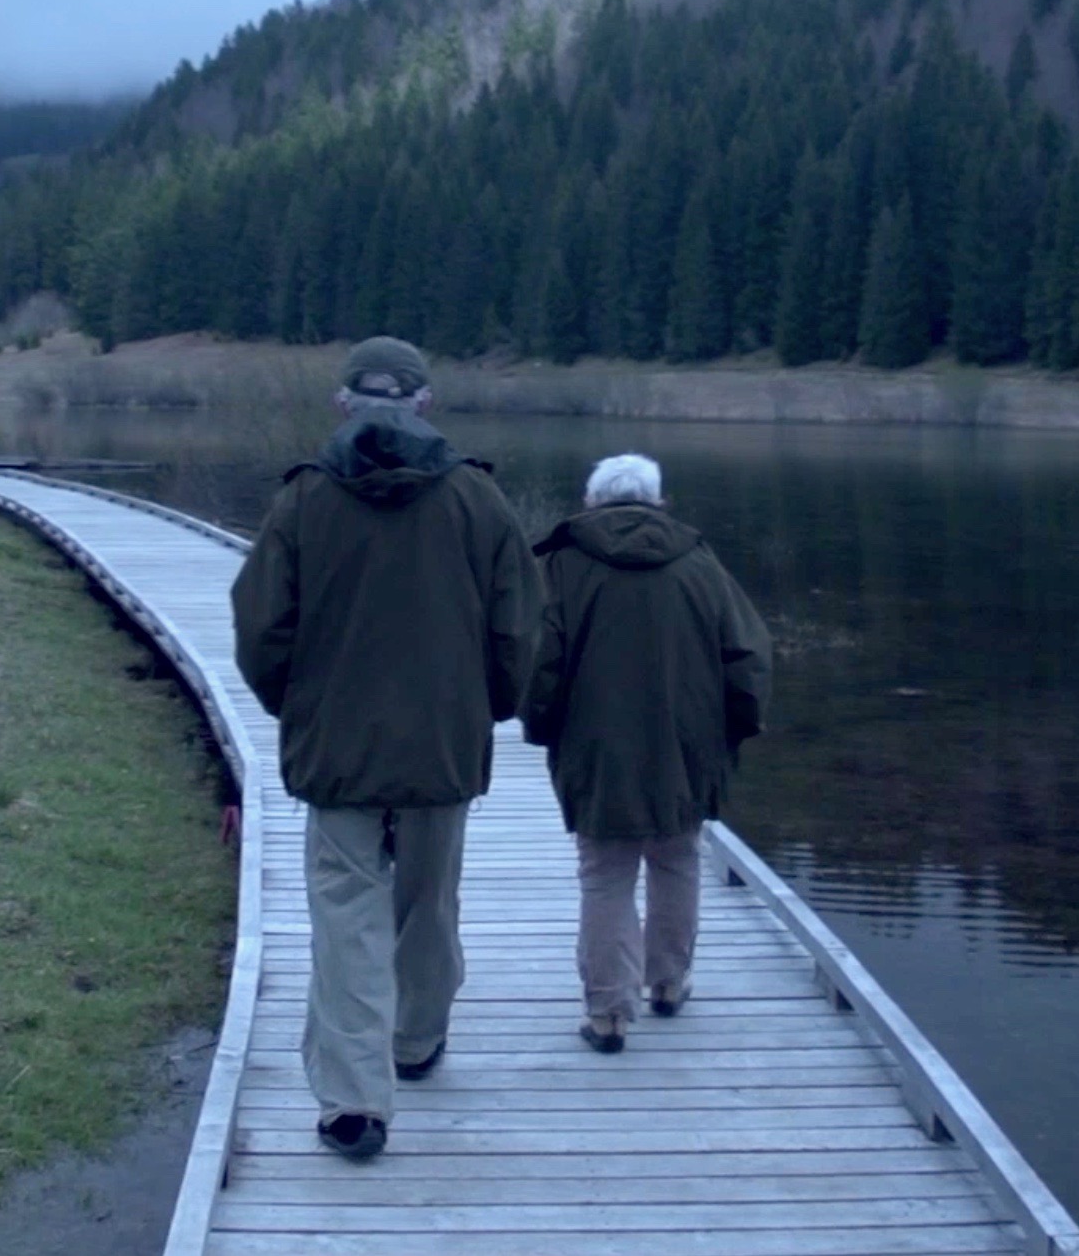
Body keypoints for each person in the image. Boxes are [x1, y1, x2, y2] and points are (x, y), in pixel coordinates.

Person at [229, 336, 538, 1160]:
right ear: (424, 403)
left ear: (341, 405)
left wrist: (294, 707)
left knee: (344, 918)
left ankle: (354, 1102)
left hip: (337, 748)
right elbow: (519, 630)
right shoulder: (479, 501)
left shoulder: (303, 501)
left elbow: (259, 628)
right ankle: (415, 1040)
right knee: (428, 902)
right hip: (441, 742)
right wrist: (486, 707)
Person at [523, 453, 770, 1054]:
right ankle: (668, 983)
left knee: (605, 874)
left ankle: (609, 1014)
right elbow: (748, 655)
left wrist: (541, 724)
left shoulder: (561, 564)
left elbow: (538, 661)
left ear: (590, 502)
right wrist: (739, 726)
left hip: (596, 744)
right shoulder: (699, 562)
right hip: (686, 744)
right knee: (677, 859)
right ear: (660, 502)